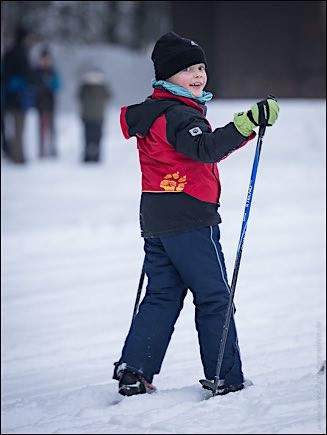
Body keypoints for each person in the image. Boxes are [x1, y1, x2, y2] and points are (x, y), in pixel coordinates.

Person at [113, 31, 279, 397]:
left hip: (157, 217)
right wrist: (246, 124)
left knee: (163, 293)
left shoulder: (154, 112)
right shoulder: (178, 114)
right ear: (167, 75)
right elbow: (205, 148)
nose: (198, 75)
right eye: (187, 69)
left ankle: (135, 370)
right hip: (189, 218)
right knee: (215, 295)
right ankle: (226, 376)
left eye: (201, 67)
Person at [1, 25, 36, 163]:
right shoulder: (21, 53)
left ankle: (13, 153)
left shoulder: (10, 52)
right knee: (19, 127)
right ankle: (17, 156)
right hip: (18, 97)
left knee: (13, 127)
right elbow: (27, 75)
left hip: (9, 97)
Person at [77, 68, 111, 162]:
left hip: (87, 115)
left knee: (87, 137)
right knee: (97, 137)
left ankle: (87, 156)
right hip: (99, 116)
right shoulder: (102, 85)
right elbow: (109, 96)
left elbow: (79, 96)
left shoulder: (85, 85)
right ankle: (97, 156)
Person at [33, 47, 61, 158]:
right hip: (40, 102)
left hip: (50, 102)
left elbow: (58, 85)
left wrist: (51, 83)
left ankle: (52, 149)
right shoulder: (36, 72)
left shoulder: (52, 71)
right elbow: (33, 85)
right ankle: (42, 150)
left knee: (51, 126)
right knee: (41, 126)